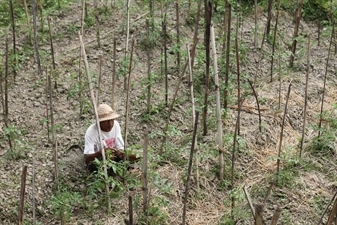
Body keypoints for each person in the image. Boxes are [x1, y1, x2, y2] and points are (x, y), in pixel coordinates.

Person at [83, 103, 127, 174]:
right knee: (94, 167)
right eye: (106, 121)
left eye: (112, 120)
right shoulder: (91, 132)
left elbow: (120, 146)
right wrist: (101, 153)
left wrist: (119, 152)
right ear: (99, 122)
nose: (110, 124)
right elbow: (87, 159)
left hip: (113, 159)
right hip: (100, 161)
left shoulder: (116, 125)